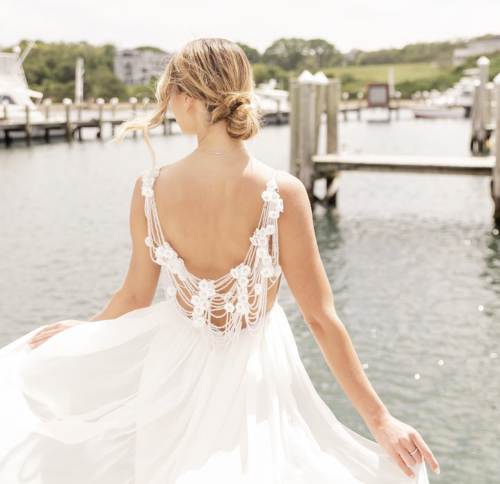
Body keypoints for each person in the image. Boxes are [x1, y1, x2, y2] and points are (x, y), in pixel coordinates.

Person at [0, 38, 440, 483]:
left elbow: (134, 295)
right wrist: (380, 419)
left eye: (169, 93)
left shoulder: (149, 188)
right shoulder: (281, 192)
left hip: (170, 369)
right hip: (255, 372)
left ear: (187, 98)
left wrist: (86, 330)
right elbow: (321, 318)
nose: (168, 104)